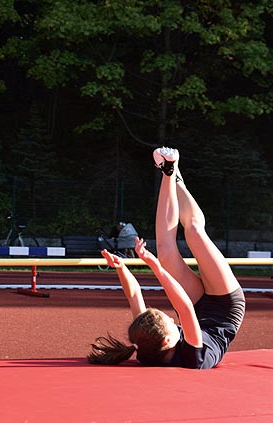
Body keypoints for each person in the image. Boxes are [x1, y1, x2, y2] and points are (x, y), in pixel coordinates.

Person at [88, 147, 245, 369]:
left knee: (166, 252)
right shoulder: (193, 356)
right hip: (225, 308)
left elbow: (134, 295)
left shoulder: (148, 345)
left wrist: (121, 268)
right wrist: (154, 267)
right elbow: (185, 308)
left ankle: (169, 172)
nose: (173, 320)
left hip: (200, 308)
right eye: (171, 323)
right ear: (168, 341)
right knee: (194, 231)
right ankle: (176, 178)